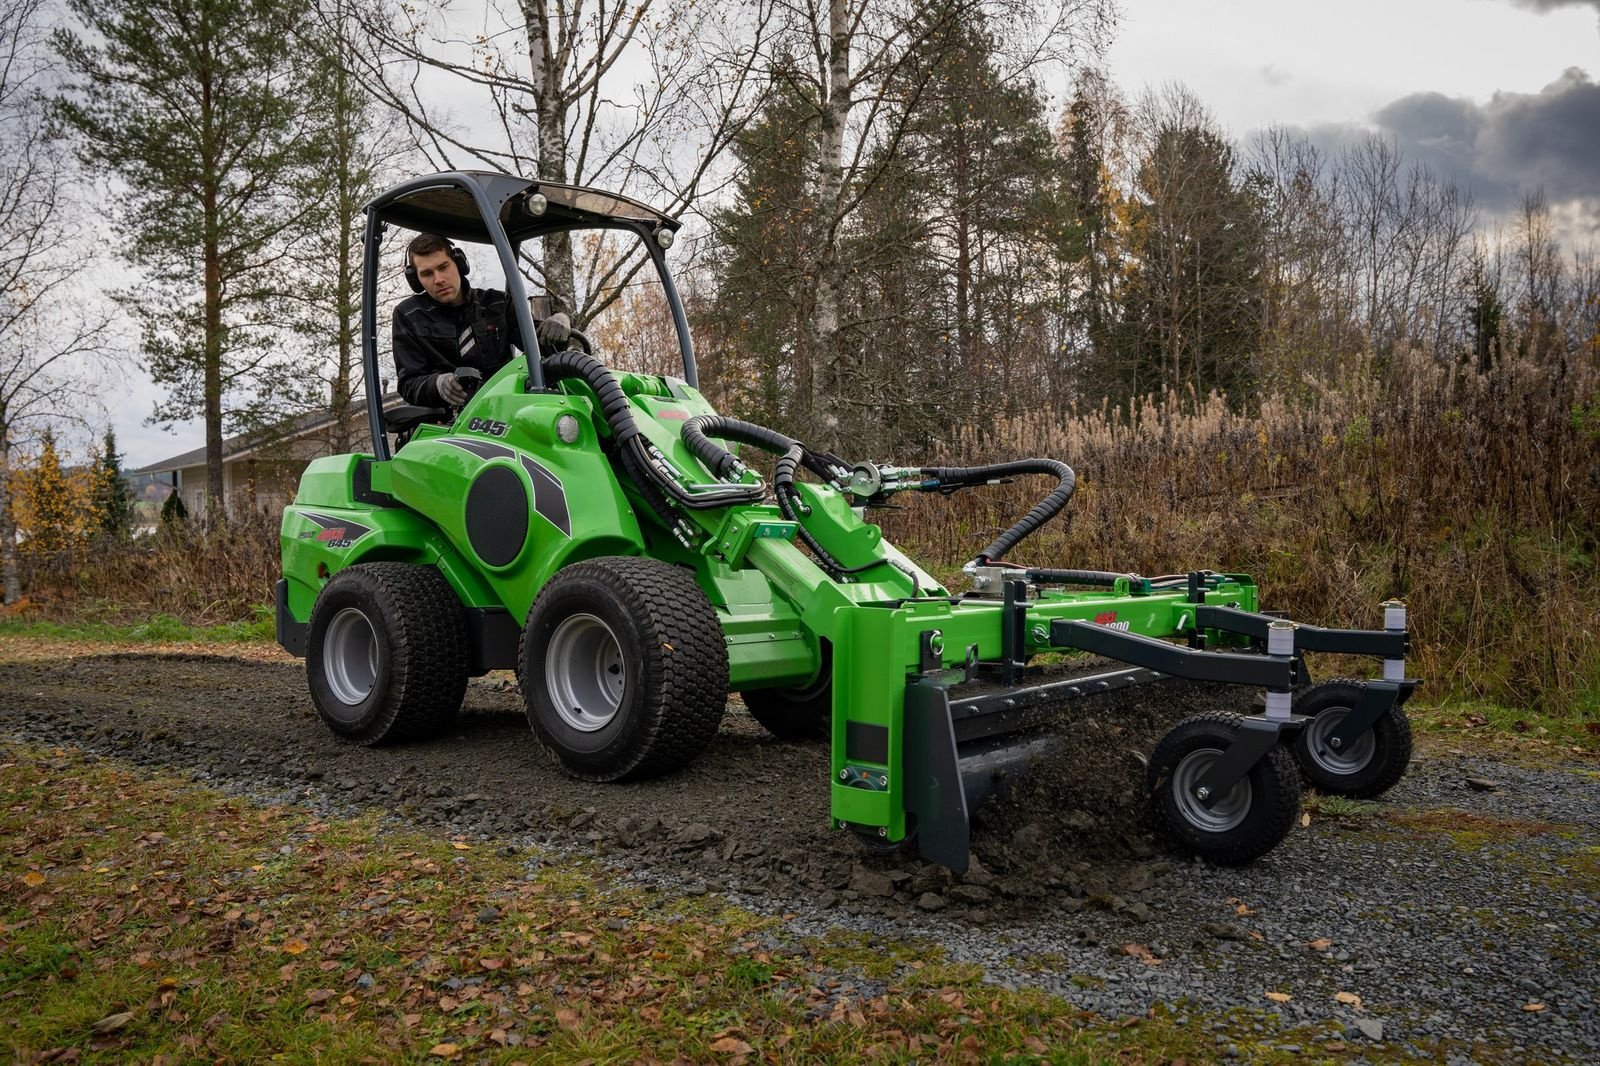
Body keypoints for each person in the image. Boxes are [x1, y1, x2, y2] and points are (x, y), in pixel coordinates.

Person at [392, 233, 572, 408]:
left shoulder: (499, 304)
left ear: (459, 264)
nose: (439, 279)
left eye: (443, 267)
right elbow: (409, 383)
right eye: (427, 274)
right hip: (445, 421)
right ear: (416, 280)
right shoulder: (408, 315)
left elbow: (542, 352)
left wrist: (560, 323)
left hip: (505, 409)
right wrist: (437, 384)